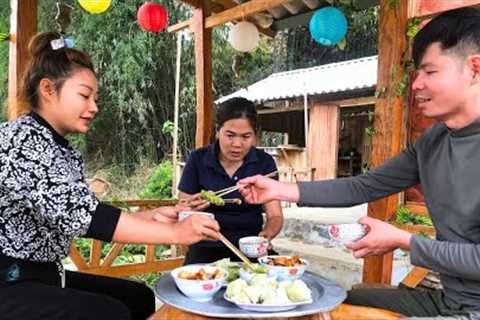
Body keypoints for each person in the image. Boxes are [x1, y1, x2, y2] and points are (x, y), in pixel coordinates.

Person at [238, 7, 480, 318]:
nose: (416, 84)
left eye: (430, 72)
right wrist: (277, 190)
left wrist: (403, 240)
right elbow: (363, 186)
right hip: (449, 300)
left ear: (475, 69)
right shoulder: (431, 142)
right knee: (343, 301)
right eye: (416, 73)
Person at [0, 31, 221, 320]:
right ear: (48, 90)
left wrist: (152, 217)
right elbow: (83, 217)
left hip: (45, 274)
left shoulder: (63, 151)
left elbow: (85, 215)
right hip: (10, 279)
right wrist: (175, 232)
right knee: (110, 313)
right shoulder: (21, 141)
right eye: (84, 95)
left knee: (138, 295)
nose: (94, 107)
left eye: (95, 97)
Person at [178, 97, 283, 264]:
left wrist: (266, 235)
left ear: (255, 136)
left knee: (274, 281)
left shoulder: (265, 163)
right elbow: (182, 209)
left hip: (250, 245)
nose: (237, 144)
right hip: (206, 245)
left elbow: (275, 215)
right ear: (218, 131)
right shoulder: (198, 159)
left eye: (246, 136)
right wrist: (191, 207)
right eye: (230, 135)